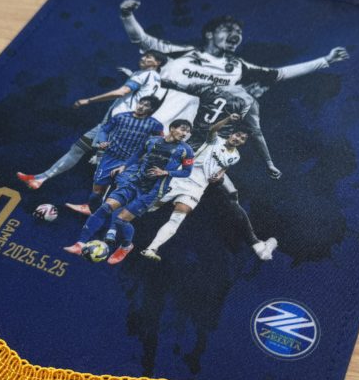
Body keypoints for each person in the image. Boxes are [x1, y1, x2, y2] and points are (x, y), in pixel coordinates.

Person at [118, 0, 348, 175]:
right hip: (147, 119)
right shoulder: (184, 53)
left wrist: (325, 61)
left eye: (238, 32)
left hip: (184, 134)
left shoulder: (238, 67)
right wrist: (127, 14)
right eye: (228, 29)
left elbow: (280, 74)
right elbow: (144, 40)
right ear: (210, 34)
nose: (235, 34)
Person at [15, 50, 167, 190]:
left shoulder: (144, 75)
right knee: (79, 149)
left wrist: (89, 100)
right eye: (144, 55)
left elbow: (121, 92)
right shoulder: (157, 81)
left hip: (119, 124)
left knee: (106, 163)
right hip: (120, 124)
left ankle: (97, 203)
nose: (143, 58)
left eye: (148, 57)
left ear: (157, 62)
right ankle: (40, 178)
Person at [140, 112, 274, 262]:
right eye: (237, 135)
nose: (238, 139)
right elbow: (212, 129)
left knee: (177, 218)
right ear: (231, 134)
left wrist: (219, 176)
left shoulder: (236, 156)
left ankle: (152, 248)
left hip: (197, 189)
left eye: (242, 139)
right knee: (148, 207)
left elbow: (224, 167)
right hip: (181, 179)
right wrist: (228, 119)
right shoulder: (215, 140)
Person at [64, 120, 195, 265]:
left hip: (152, 190)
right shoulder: (152, 141)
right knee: (104, 208)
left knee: (121, 220)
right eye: (183, 129)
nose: (185, 134)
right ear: (172, 128)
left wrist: (166, 172)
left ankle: (126, 246)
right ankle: (80, 244)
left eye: (187, 131)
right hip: (134, 182)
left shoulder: (186, 150)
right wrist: (124, 167)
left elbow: (186, 172)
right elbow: (137, 155)